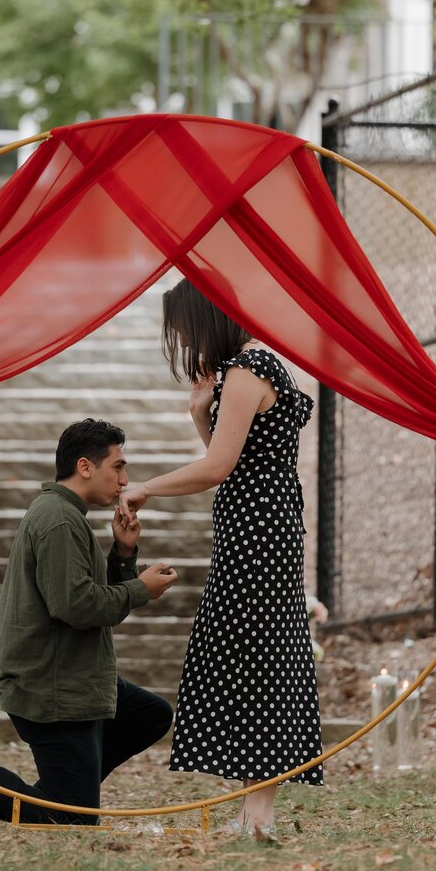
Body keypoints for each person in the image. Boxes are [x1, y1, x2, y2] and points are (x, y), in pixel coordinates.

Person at [119, 279, 323, 838]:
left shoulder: (246, 369)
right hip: (261, 521)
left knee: (256, 652)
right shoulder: (257, 366)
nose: (187, 343)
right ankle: (254, 813)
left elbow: (218, 467)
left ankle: (257, 814)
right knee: (258, 650)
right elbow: (233, 453)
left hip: (257, 527)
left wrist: (145, 489)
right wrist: (198, 416)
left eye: (186, 331)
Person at [0, 419, 178, 830]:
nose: (125, 481)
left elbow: (88, 597)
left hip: (75, 676)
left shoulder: (68, 515)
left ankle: (63, 788)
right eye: (118, 467)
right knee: (69, 819)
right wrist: (140, 588)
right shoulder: (58, 521)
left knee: (149, 715)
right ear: (85, 467)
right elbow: (77, 606)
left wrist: (123, 552)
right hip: (52, 686)